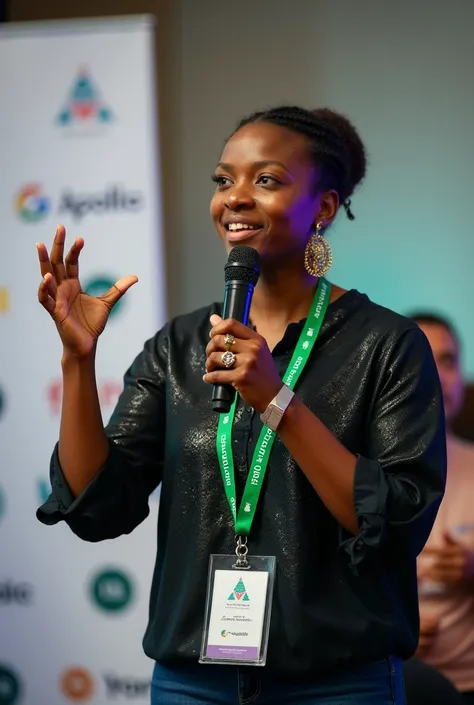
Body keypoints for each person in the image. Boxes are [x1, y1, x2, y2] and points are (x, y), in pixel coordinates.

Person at [36, 106, 446, 705]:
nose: (235, 198)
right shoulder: (178, 347)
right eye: (224, 180)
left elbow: (394, 524)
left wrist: (277, 399)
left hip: (336, 685)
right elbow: (99, 504)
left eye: (268, 180)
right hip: (193, 684)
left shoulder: (386, 346)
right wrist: (78, 361)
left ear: (325, 209)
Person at [406, 313, 474, 705]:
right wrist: (391, 634)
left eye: (448, 361)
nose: (439, 375)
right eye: (423, 360)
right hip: (384, 679)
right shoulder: (350, 471)